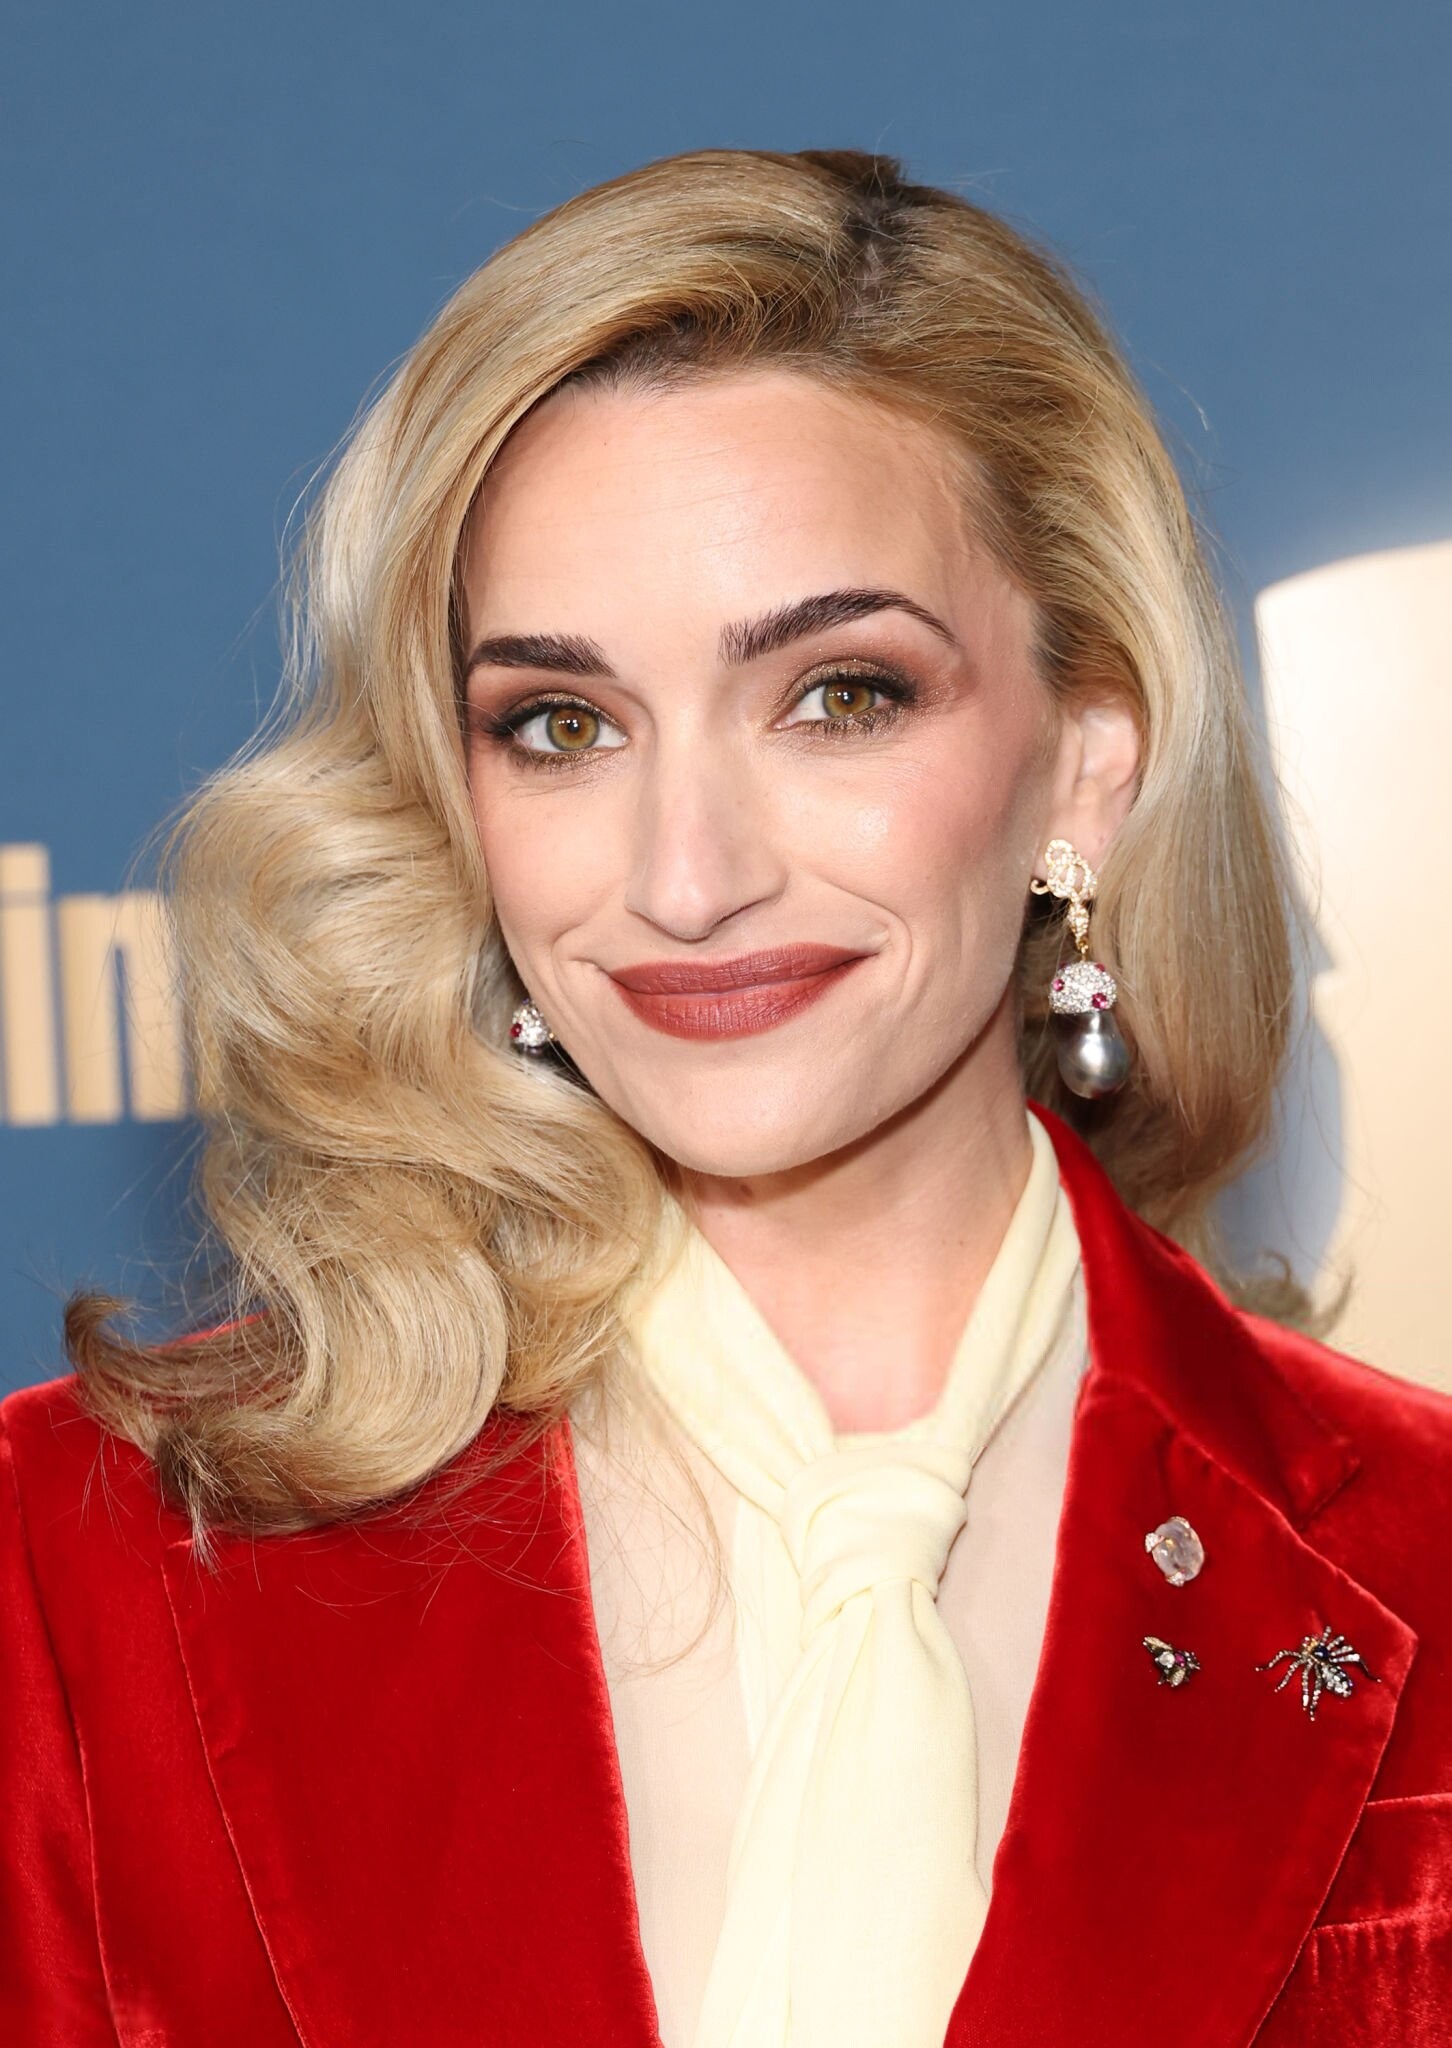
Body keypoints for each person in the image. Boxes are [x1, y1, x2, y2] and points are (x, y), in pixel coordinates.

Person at [2, 147, 1449, 2048]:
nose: (686, 877)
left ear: (1086, 763)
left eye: (840, 696)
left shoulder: (1417, 1555)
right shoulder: (85, 1562)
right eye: (562, 724)